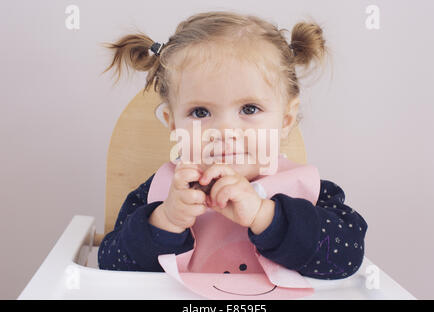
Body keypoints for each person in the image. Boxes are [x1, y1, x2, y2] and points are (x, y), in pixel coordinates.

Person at [98, 11, 368, 280]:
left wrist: (265, 216)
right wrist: (165, 222)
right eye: (201, 113)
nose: (225, 131)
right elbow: (111, 265)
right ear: (173, 125)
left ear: (286, 119)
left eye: (249, 109)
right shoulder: (161, 192)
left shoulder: (307, 191)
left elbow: (347, 257)